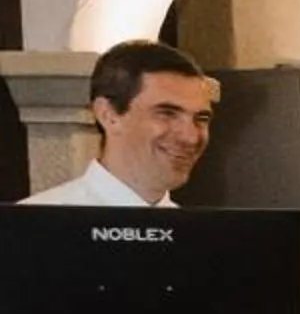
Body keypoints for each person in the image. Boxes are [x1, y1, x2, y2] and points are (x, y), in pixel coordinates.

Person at [20, 40, 216, 207]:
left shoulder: (208, 238)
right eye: (166, 113)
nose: (190, 137)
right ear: (108, 115)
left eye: (201, 118)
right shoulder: (31, 228)